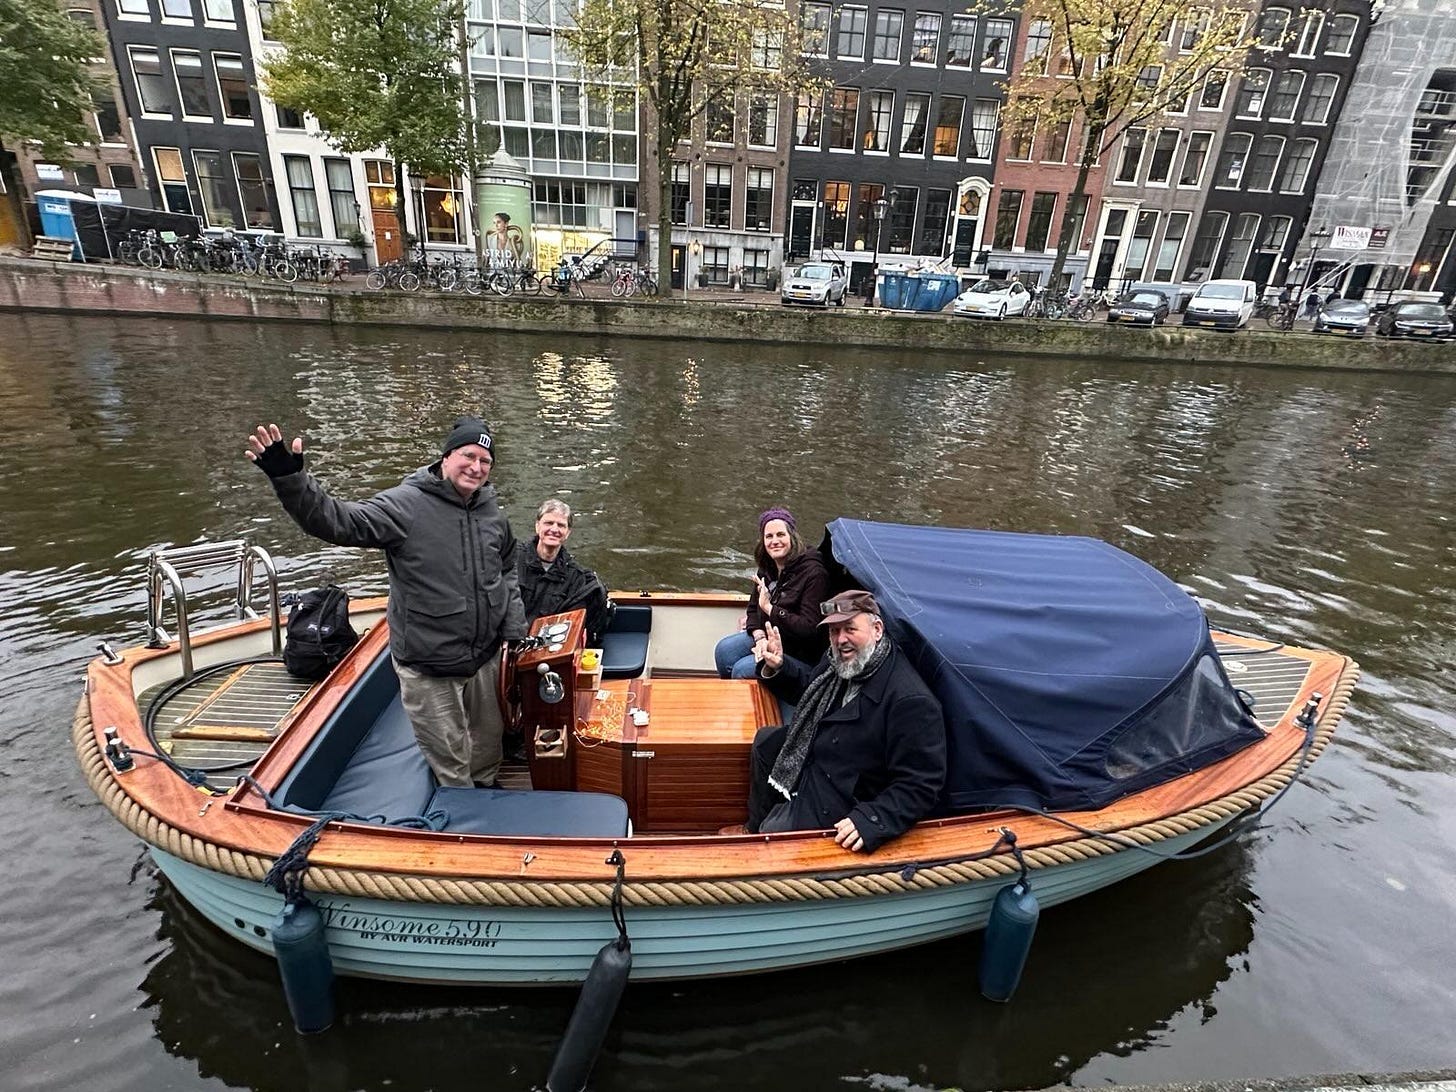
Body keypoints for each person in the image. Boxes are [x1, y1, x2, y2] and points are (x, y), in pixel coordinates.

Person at [245, 417, 526, 789]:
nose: (476, 467)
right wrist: (291, 480)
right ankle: (460, 811)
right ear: (446, 457)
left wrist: (513, 628)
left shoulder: (491, 509)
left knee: (488, 741)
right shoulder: (405, 505)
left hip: (485, 656)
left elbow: (506, 567)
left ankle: (486, 787)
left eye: (485, 461)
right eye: (468, 456)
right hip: (430, 660)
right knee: (450, 753)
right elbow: (338, 522)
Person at [745, 591, 946, 853]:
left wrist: (873, 819)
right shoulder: (838, 664)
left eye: (850, 628)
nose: (841, 640)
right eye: (834, 631)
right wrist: (780, 667)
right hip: (821, 752)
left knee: (775, 835)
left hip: (843, 788)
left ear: (877, 629)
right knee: (765, 743)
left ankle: (758, 842)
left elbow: (921, 784)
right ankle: (753, 827)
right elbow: (809, 689)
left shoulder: (910, 700)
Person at [714, 507, 830, 681]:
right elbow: (753, 609)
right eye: (769, 536)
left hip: (798, 651)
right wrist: (759, 637)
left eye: (780, 535)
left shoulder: (814, 573)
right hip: (768, 636)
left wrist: (770, 608)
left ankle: (760, 703)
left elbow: (809, 629)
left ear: (792, 536)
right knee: (724, 651)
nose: (775, 541)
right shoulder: (767, 568)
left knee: (741, 669)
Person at [514, 498, 613, 645]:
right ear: (537, 526)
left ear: (567, 533)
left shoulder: (575, 577)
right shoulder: (511, 559)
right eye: (548, 523)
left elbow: (570, 626)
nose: (554, 529)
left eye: (561, 525)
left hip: (544, 651)